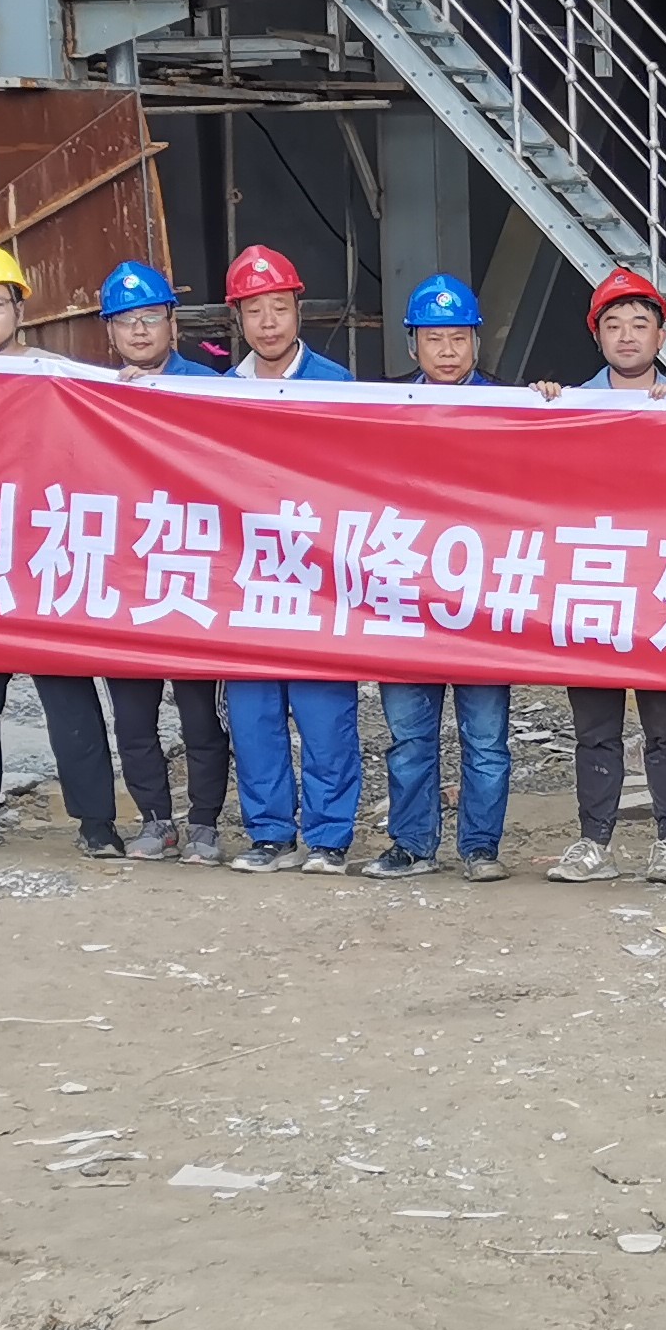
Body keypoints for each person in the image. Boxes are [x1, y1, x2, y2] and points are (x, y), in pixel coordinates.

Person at [0, 243, 124, 860]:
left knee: (69, 698)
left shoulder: (56, 374)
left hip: (42, 559)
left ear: (19, 310)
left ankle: (97, 822)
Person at [540, 267, 666, 887]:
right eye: (613, 325)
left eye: (639, 324)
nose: (627, 336)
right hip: (594, 587)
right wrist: (544, 407)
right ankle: (594, 843)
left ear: (662, 337)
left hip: (658, 594)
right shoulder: (567, 407)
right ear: (596, 336)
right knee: (595, 730)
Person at [214, 247, 364, 875]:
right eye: (255, 311)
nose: (268, 322)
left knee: (326, 717)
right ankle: (270, 834)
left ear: (298, 309)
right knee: (254, 719)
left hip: (319, 582)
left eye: (279, 307)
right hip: (247, 582)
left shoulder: (339, 387)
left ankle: (328, 838)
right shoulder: (213, 396)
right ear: (238, 319)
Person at [87, 261, 232, 862]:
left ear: (173, 321)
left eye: (150, 317)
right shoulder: (90, 395)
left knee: (200, 715)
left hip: (190, 570)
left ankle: (204, 823)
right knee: (133, 714)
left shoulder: (211, 387)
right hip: (125, 577)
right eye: (126, 321)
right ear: (110, 331)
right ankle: (154, 819)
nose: (140, 330)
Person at [374, 270, 515, 881]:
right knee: (409, 739)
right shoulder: (380, 412)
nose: (448, 350)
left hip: (482, 602)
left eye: (459, 338)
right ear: (413, 346)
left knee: (485, 741)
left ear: (476, 342)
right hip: (405, 598)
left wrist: (552, 401)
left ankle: (480, 848)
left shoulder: (513, 409)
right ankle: (412, 845)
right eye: (434, 339)